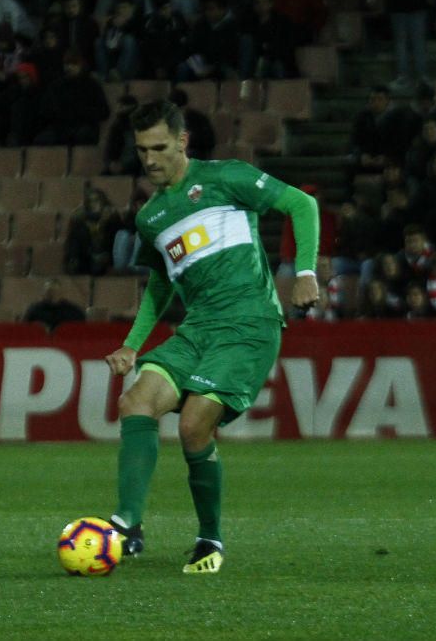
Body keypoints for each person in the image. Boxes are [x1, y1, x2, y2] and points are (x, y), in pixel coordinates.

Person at [102, 100, 319, 573]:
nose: (150, 159)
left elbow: (302, 204)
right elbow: (160, 285)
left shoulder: (226, 178)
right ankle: (127, 525)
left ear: (182, 142)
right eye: (142, 150)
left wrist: (305, 271)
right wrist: (133, 345)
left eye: (159, 147)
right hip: (197, 328)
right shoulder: (151, 218)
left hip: (249, 324)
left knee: (193, 424)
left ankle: (210, 539)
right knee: (136, 402)